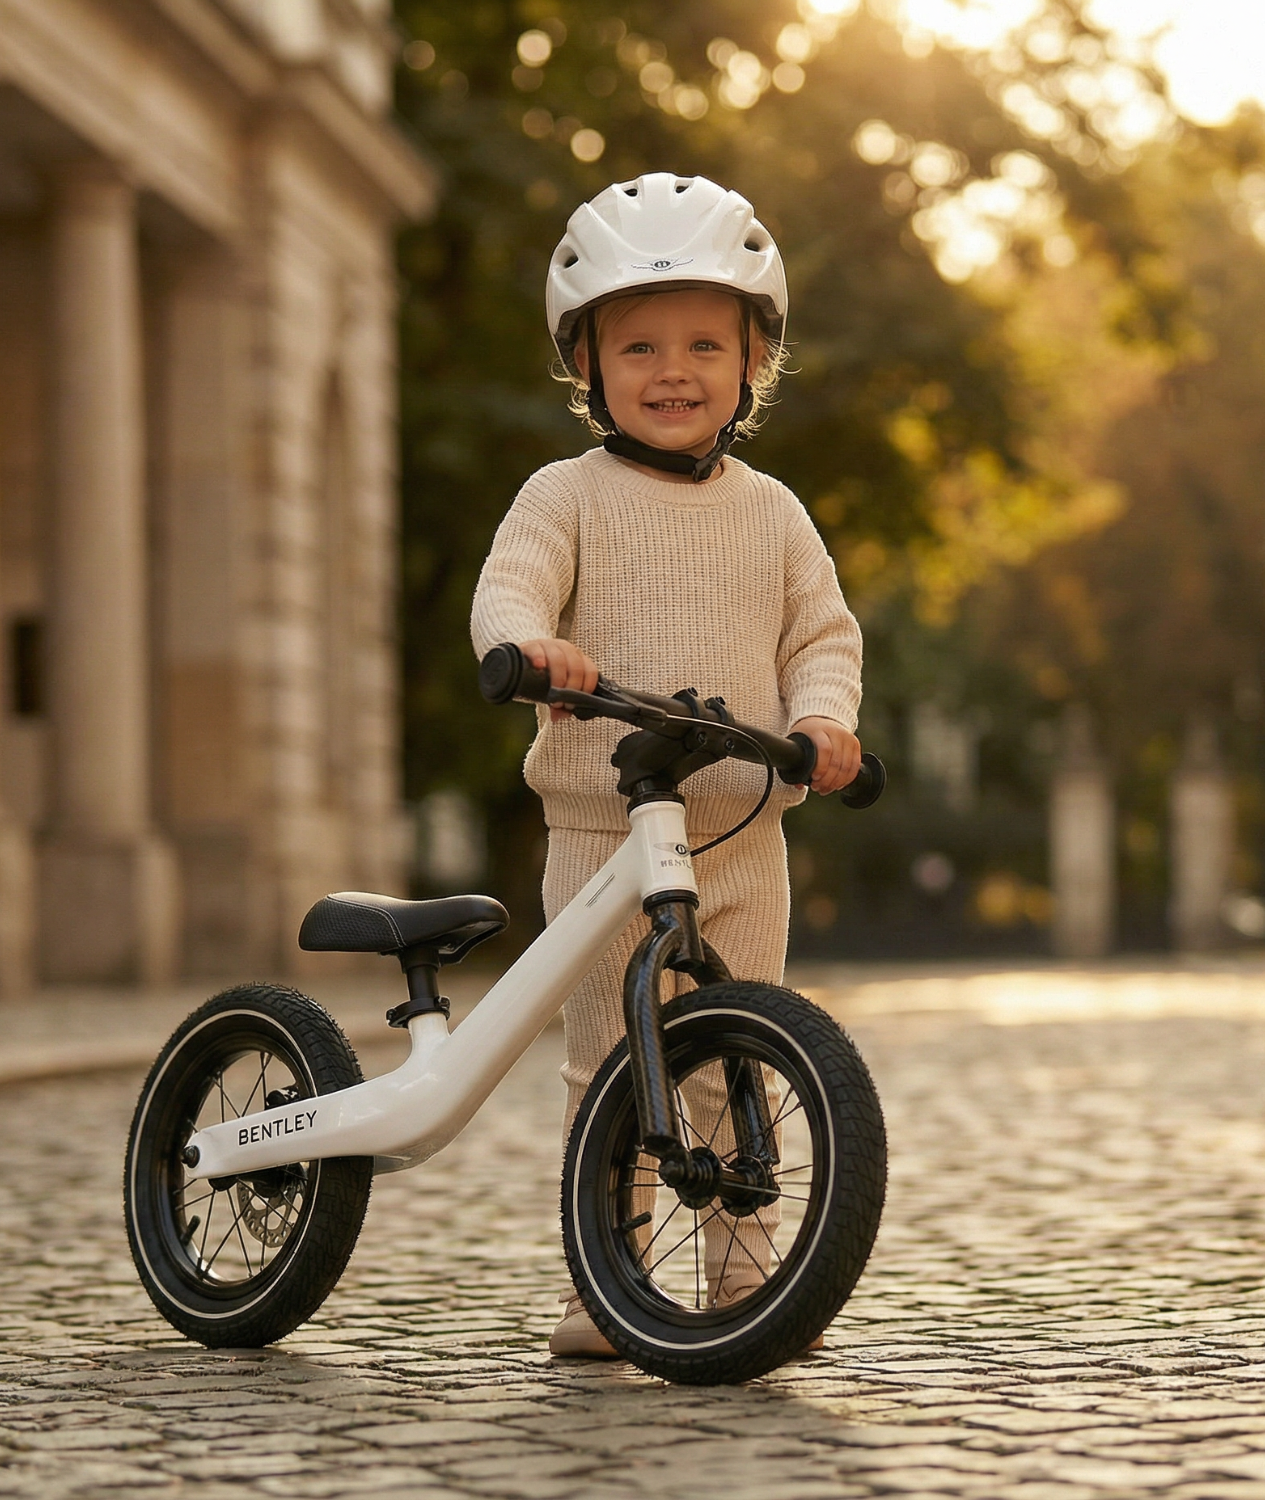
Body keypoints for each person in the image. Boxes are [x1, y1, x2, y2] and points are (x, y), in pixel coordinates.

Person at [470, 173, 863, 1357]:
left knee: (739, 1050)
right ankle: (609, 1280)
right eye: (637, 345)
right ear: (587, 364)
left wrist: (827, 719)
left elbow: (822, 636)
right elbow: (510, 589)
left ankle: (745, 1278)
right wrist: (528, 648)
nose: (672, 368)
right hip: (605, 832)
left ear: (754, 361)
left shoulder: (778, 513)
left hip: (742, 834)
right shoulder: (566, 496)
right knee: (608, 1064)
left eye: (705, 341)